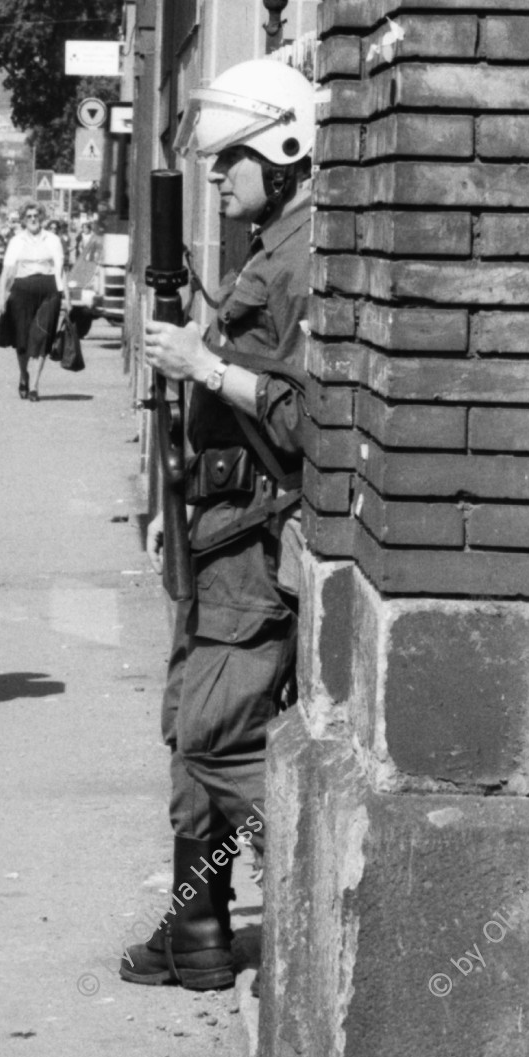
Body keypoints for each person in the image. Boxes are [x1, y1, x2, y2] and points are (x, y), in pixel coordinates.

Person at [121, 57, 314, 991]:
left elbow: (306, 423)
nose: (216, 175)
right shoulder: (271, 245)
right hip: (217, 527)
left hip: (254, 539)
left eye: (229, 159)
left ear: (282, 150)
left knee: (216, 735)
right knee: (186, 724)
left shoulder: (302, 260)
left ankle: (323, 884)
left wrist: (202, 365)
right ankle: (196, 925)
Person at [0, 201, 68, 401]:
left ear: (41, 218)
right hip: (22, 292)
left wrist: (66, 297)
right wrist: (1, 297)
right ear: (24, 220)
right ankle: (24, 375)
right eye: (29, 217)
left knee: (42, 336)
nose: (33, 219)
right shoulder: (16, 241)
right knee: (23, 340)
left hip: (49, 292)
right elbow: (7, 271)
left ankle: (34, 386)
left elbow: (60, 270)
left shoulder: (52, 240)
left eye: (36, 216)